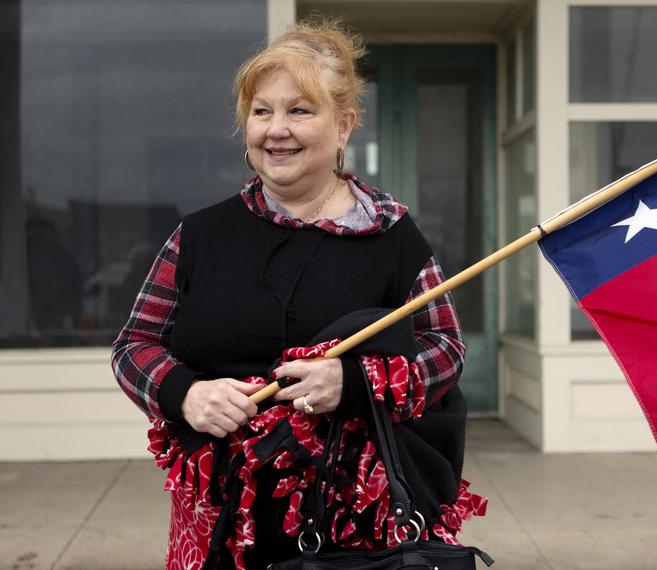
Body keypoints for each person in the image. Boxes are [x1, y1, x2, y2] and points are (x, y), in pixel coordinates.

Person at [112, 19, 485, 570]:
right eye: (261, 112)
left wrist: (353, 382)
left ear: (344, 127)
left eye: (299, 111)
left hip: (355, 530)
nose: (276, 129)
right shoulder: (199, 236)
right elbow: (134, 346)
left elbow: (447, 348)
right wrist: (187, 394)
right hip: (220, 525)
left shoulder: (391, 234)